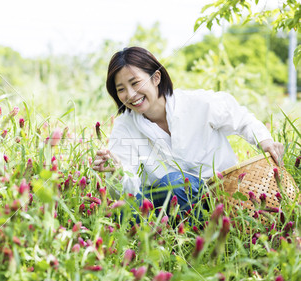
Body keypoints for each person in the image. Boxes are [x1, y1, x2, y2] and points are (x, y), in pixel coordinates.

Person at [92, 47, 284, 221]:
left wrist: (265, 141)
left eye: (135, 83)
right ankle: (173, 233)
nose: (131, 94)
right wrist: (117, 172)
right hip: (169, 202)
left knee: (175, 183)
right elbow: (127, 192)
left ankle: (191, 231)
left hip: (220, 196)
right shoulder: (125, 126)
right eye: (121, 90)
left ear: (156, 78)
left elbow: (241, 118)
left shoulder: (196, 103)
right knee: (124, 210)